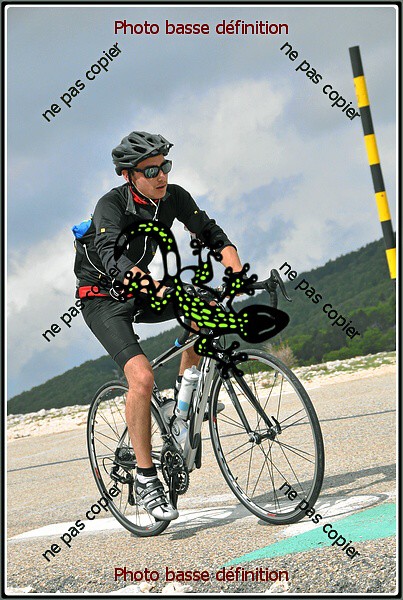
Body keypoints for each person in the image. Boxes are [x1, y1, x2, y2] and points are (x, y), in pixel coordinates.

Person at [75, 131, 243, 522]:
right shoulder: (110, 207)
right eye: (151, 170)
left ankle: (184, 402)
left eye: (164, 166)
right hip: (102, 299)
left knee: (205, 307)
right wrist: (155, 285)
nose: (161, 175)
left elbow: (210, 232)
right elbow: (113, 259)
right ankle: (145, 477)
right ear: (128, 175)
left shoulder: (173, 197)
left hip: (142, 289)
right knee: (142, 378)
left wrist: (236, 270)